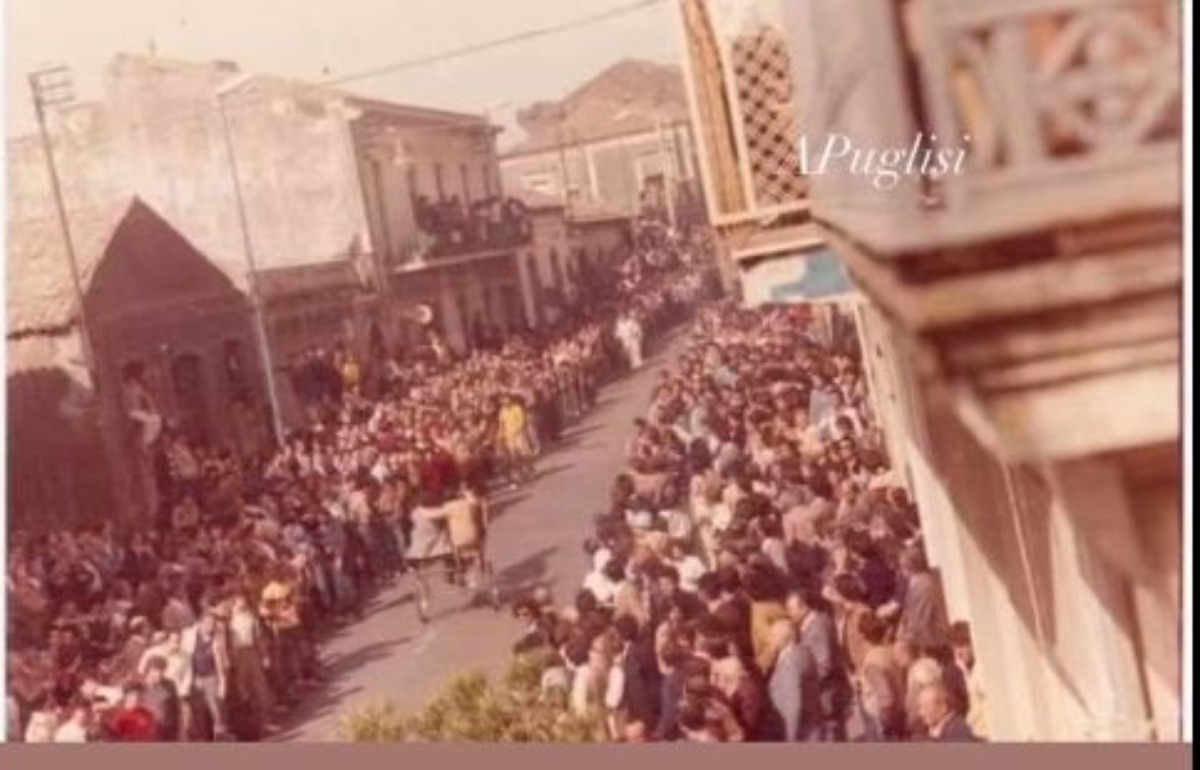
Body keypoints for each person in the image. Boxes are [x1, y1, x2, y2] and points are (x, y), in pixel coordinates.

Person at [764, 620, 822, 742]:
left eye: (773, 636)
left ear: (786, 638)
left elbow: (793, 705)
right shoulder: (802, 652)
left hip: (798, 732)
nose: (769, 640)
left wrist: (790, 737)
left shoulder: (789, 663)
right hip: (810, 727)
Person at [915, 683, 981, 742]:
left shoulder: (957, 731)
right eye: (920, 707)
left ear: (943, 708)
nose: (921, 713)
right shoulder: (923, 727)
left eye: (926, 707)